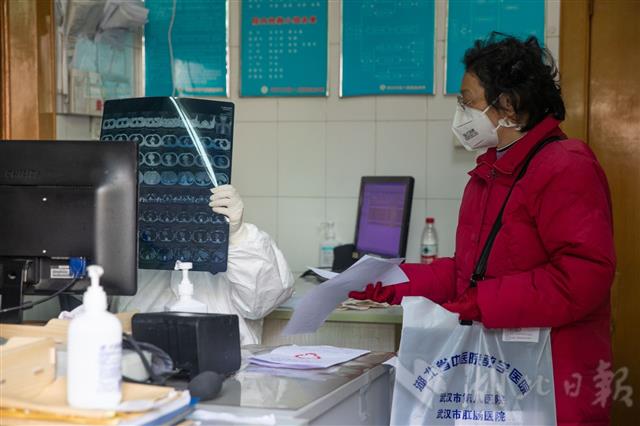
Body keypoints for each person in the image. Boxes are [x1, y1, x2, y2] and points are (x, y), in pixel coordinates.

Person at [350, 33, 615, 425]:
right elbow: (468, 273)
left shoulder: (566, 165)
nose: (461, 112)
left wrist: (483, 303)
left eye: (467, 100)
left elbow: (583, 276)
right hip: (500, 375)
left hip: (555, 379)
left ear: (507, 104)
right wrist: (391, 280)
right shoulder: (490, 172)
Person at [112, 185, 294, 346]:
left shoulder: (246, 242)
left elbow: (262, 302)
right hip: (142, 366)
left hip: (227, 367)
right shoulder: (129, 250)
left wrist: (237, 235)